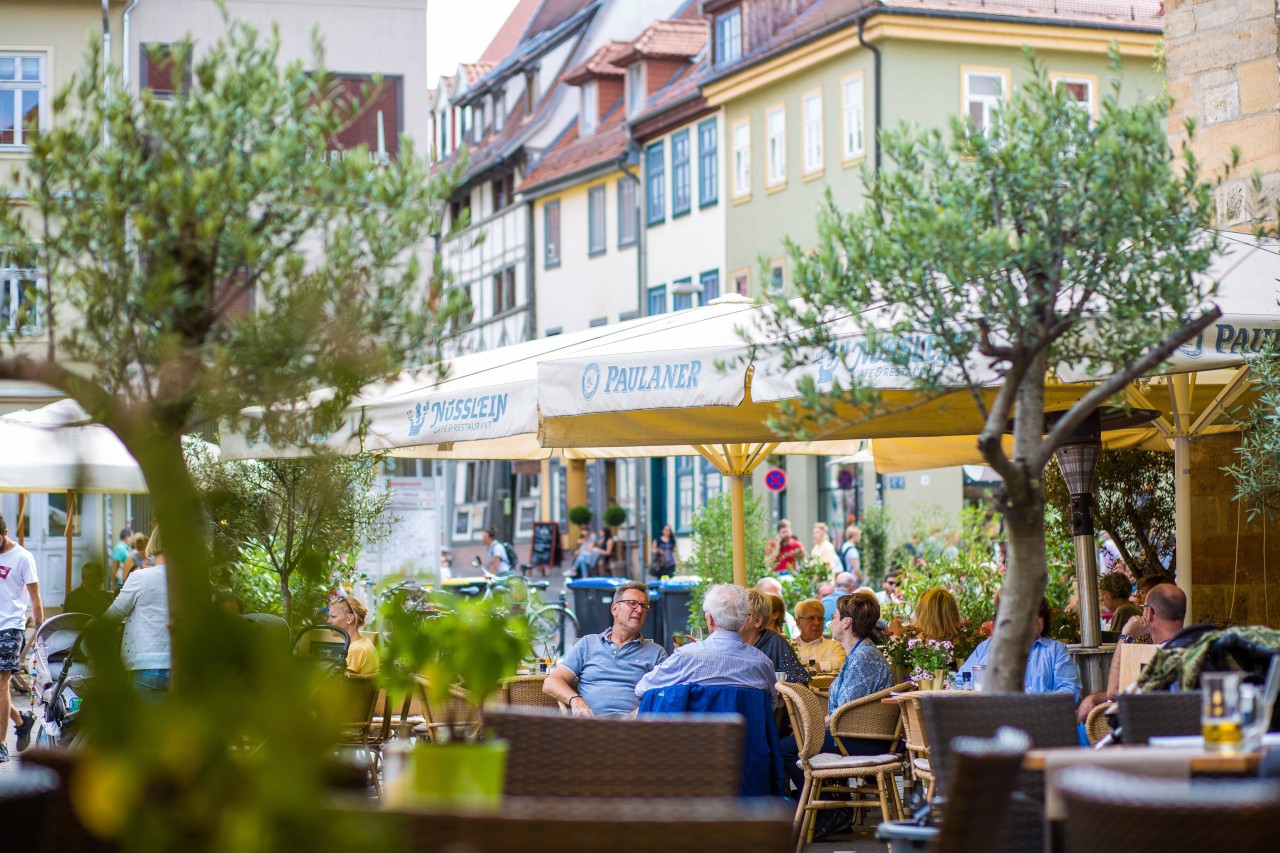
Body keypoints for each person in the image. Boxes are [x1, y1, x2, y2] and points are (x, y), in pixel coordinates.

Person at [779, 592, 894, 811]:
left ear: (847, 622)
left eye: (833, 616)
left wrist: (808, 728)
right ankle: (828, 805)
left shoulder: (863, 659)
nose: (830, 621)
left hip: (863, 738)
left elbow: (843, 712)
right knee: (793, 741)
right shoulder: (860, 652)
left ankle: (829, 811)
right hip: (855, 733)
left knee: (784, 748)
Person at [544, 581, 666, 717]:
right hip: (590, 724)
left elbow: (664, 694)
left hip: (633, 728)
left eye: (644, 606)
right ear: (614, 609)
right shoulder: (587, 644)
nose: (639, 609)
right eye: (632, 603)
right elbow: (551, 682)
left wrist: (639, 713)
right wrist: (575, 700)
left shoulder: (656, 653)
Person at [634, 584, 776, 698]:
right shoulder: (763, 663)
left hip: (699, 734)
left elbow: (641, 689)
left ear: (710, 619)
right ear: (742, 619)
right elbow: (771, 704)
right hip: (747, 733)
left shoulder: (686, 657)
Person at [1076, 584, 1187, 722]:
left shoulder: (1150, 656)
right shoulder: (1195, 649)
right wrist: (1095, 697)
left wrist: (1125, 636)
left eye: (1143, 608)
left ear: (1149, 613)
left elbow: (1115, 692)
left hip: (1145, 733)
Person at [957, 596, 1081, 701]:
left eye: (1040, 613)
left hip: (1041, 723)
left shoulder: (1056, 650)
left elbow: (1070, 690)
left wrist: (1041, 707)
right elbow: (958, 684)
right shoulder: (985, 648)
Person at [102, 526, 170, 701]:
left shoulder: (140, 577)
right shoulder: (189, 581)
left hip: (147, 665)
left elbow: (113, 615)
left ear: (153, 543)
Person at [0, 514, 42, 761]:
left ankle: (1, 743)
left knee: (1, 682)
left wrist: (40, 630)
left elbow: (35, 596)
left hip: (10, 626)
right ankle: (21, 720)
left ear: (4, 532)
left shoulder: (23, 557)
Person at [742, 589, 809, 685]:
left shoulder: (775, 643)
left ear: (758, 621)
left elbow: (800, 683)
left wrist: (779, 690)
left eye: (740, 614)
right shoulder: (730, 642)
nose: (734, 618)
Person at [327, 594, 379, 676]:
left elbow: (341, 685)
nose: (328, 621)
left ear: (349, 619)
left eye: (333, 617)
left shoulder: (355, 650)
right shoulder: (365, 642)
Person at [793, 598, 846, 671]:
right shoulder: (788, 646)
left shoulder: (834, 646)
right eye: (811, 618)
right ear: (798, 623)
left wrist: (810, 668)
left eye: (820, 618)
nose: (817, 623)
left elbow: (839, 664)